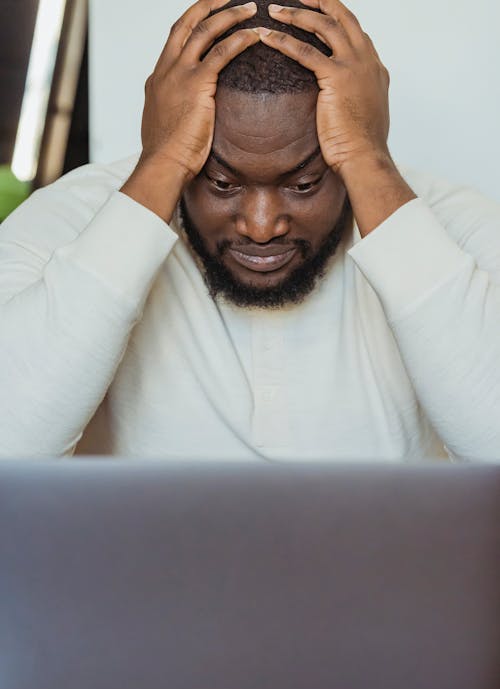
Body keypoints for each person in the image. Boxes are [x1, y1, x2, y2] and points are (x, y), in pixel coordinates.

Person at [1, 0, 499, 461]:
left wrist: (370, 163)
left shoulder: (447, 221)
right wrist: (163, 164)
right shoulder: (79, 215)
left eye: (304, 183)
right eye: (221, 181)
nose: (262, 226)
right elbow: (11, 447)